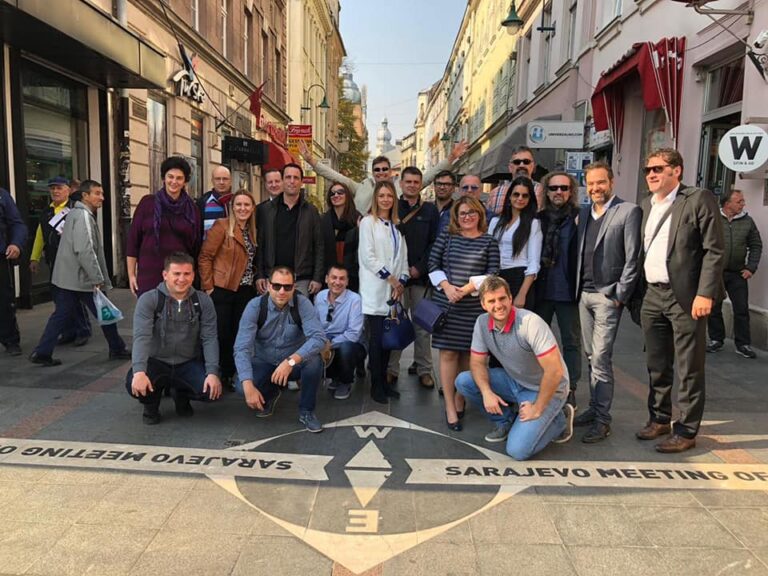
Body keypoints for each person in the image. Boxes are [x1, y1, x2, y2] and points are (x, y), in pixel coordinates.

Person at [637, 148, 724, 453]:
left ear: (676, 171)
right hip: (652, 294)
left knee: (689, 366)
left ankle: (686, 430)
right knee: (657, 363)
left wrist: (705, 293)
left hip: (685, 296)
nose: (651, 174)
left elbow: (714, 250)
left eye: (658, 169)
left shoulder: (698, 199)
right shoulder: (646, 205)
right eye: (648, 170)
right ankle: (659, 418)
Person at [455, 275, 574, 460]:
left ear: (510, 298)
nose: (498, 305)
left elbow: (555, 371)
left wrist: (537, 408)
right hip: (515, 381)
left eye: (502, 298)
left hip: (547, 388)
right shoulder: (482, 323)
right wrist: (486, 392)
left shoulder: (530, 323)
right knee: (464, 381)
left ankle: (559, 420)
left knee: (518, 450)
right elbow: (477, 362)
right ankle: (505, 421)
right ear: (483, 304)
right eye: (491, 301)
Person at [574, 162, 642, 443]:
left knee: (601, 358)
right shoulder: (583, 213)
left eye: (600, 182)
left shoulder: (628, 211)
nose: (595, 188)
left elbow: (633, 257)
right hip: (583, 295)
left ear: (611, 182)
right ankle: (593, 408)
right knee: (590, 355)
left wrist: (619, 295)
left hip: (607, 296)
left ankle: (602, 420)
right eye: (591, 183)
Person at [29, 181, 130, 366]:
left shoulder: (75, 213)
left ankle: (42, 352)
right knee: (105, 311)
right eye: (97, 193)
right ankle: (117, 348)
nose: (102, 197)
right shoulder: (83, 216)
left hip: (68, 277)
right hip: (83, 278)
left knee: (62, 315)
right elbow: (85, 250)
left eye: (102, 193)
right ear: (85, 196)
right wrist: (97, 277)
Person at [428, 196, 500, 431]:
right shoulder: (447, 236)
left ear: (480, 214)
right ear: (456, 217)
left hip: (474, 308)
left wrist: (467, 289)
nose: (467, 216)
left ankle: (461, 398)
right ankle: (450, 406)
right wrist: (447, 287)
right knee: (448, 354)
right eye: (462, 213)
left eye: (471, 212)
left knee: (471, 356)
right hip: (447, 304)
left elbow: (493, 272)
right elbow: (433, 264)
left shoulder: (489, 241)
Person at [126, 252, 222, 424]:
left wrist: (212, 372)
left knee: (210, 391)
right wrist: (139, 371)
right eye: (176, 274)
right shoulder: (149, 299)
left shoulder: (203, 301)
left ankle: (181, 394)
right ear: (165, 275)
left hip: (187, 362)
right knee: (133, 382)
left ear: (193, 275)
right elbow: (141, 337)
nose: (182, 279)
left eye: (187, 274)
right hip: (156, 361)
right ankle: (151, 404)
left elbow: (210, 338)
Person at [234, 266, 327, 432]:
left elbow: (319, 338)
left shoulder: (302, 303)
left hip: (293, 363)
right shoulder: (255, 306)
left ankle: (307, 411)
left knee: (314, 361)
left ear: (294, 287)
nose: (282, 291)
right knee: (242, 386)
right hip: (264, 361)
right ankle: (271, 393)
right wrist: (248, 386)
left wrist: (290, 361)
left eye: (287, 287)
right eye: (277, 286)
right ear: (269, 286)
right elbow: (241, 347)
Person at [300, 140, 468, 214]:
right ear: (373, 172)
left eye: (384, 169)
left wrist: (452, 157)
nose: (381, 172)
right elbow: (335, 176)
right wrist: (311, 161)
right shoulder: (361, 187)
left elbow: (429, 176)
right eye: (377, 170)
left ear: (390, 171)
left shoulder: (401, 187)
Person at [198, 189, 258, 388]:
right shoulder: (222, 226)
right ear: (232, 207)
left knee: (239, 334)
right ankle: (219, 374)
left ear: (252, 208)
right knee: (221, 334)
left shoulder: (252, 230)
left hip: (245, 290)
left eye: (246, 204)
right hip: (222, 289)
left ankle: (233, 372)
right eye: (238, 204)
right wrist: (208, 287)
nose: (242, 208)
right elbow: (205, 256)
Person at [387, 167, 440, 389]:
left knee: (423, 327)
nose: (412, 185)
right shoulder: (391, 207)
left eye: (416, 182)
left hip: (420, 279)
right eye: (408, 181)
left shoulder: (430, 210)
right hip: (397, 280)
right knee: (396, 324)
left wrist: (420, 268)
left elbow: (435, 243)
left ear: (421, 184)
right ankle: (391, 369)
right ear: (401, 184)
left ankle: (424, 370)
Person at [358, 181, 410, 404]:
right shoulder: (368, 223)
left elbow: (403, 257)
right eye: (382, 196)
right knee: (377, 340)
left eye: (389, 196)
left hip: (394, 292)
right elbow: (367, 256)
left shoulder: (397, 225)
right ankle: (376, 385)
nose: (386, 199)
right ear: (375, 199)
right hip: (376, 290)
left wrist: (402, 281)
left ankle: (385, 384)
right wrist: (391, 279)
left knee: (389, 340)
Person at [534, 172, 581, 409]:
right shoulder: (538, 219)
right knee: (536, 342)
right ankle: (539, 385)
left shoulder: (579, 218)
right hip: (541, 291)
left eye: (564, 188)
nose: (558, 192)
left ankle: (570, 388)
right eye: (553, 188)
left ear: (571, 191)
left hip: (568, 291)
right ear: (546, 191)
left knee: (571, 341)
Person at [29, 176, 92, 346]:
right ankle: (68, 331)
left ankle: (83, 330)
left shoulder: (75, 209)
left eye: (59, 188)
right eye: (52, 188)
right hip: (54, 260)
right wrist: (34, 257)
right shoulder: (47, 212)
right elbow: (40, 236)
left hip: (72, 261)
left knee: (75, 297)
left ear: (68, 190)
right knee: (59, 299)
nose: (55, 191)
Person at [127, 156, 201, 297]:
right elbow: (133, 241)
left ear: (185, 181)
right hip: (149, 274)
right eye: (170, 177)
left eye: (179, 178)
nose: (174, 181)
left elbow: (196, 247)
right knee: (149, 310)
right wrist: (131, 274)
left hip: (180, 277)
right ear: (163, 178)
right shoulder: (147, 204)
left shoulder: (192, 210)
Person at [707, 189, 762, 359]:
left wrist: (750, 268)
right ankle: (716, 339)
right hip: (716, 272)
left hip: (738, 273)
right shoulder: (713, 218)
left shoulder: (747, 222)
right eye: (739, 201)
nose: (743, 204)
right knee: (713, 307)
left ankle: (743, 344)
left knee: (741, 309)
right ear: (727, 203)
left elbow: (756, 245)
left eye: (743, 201)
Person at [256, 163, 323, 297]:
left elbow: (319, 246)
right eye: (288, 177)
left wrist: (317, 277)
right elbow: (260, 245)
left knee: (299, 311)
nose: (292, 181)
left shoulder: (311, 211)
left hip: (301, 280)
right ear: (282, 180)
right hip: (271, 279)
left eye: (296, 178)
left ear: (301, 182)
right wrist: (260, 275)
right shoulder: (266, 210)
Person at [488, 176, 542, 310]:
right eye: (516, 194)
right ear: (509, 196)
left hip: (519, 278)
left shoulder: (533, 224)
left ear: (530, 199)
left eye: (525, 195)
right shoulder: (495, 222)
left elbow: (533, 262)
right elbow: (487, 251)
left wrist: (522, 294)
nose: (520, 198)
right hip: (496, 278)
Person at [314, 264, 365, 400]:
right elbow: (315, 324)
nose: (337, 282)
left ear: (347, 282)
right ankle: (334, 377)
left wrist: (330, 344)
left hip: (349, 343)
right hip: (325, 339)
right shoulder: (320, 296)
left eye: (342, 279)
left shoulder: (355, 300)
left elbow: (354, 334)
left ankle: (345, 381)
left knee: (346, 348)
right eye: (334, 277)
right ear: (326, 279)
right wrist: (320, 341)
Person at [320, 182, 362, 293]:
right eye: (332, 193)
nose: (336, 195)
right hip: (329, 273)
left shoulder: (358, 219)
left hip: (353, 275)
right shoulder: (323, 220)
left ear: (347, 195)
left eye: (340, 192)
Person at [0, 187, 27, 356]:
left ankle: (10, 340)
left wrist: (16, 243)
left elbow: (17, 224)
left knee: (4, 302)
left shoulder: (2, 196)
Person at [487, 146, 543, 215]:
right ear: (510, 167)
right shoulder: (495, 193)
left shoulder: (543, 191)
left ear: (533, 166)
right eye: (517, 162)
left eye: (526, 162)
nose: (521, 165)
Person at [197, 165, 232, 241]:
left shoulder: (237, 202)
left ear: (230, 181)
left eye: (225, 179)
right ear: (212, 181)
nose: (221, 182)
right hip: (208, 247)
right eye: (218, 179)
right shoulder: (202, 202)